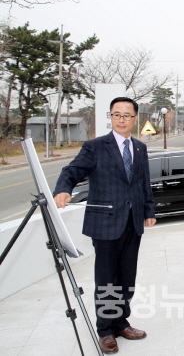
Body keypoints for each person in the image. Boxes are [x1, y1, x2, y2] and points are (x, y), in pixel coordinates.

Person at [54, 97, 156, 354]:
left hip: (133, 222)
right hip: (105, 223)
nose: (121, 119)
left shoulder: (140, 148)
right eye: (116, 114)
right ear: (110, 117)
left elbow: (144, 183)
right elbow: (72, 170)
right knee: (107, 279)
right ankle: (105, 330)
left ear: (135, 118)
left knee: (127, 277)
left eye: (127, 115)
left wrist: (148, 211)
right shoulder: (95, 146)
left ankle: (121, 322)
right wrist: (63, 189)